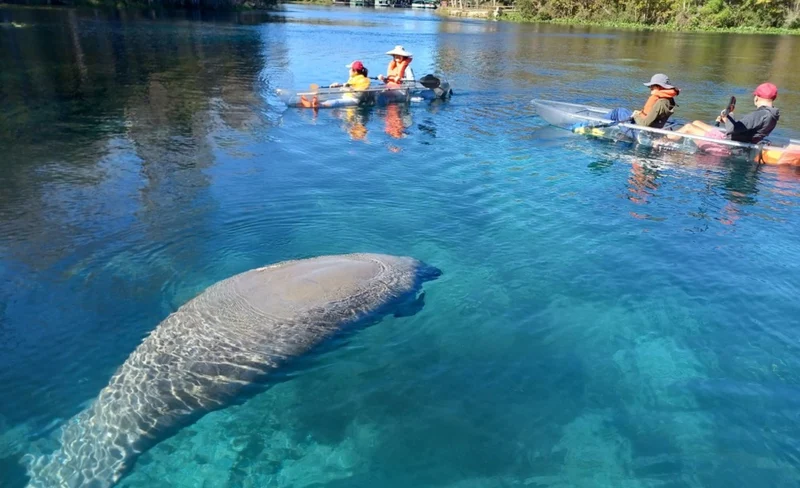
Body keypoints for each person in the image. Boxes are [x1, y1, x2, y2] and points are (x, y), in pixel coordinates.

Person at [667, 82, 780, 146]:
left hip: (727, 147)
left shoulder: (760, 115)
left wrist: (728, 116)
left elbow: (733, 130)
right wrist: (726, 120)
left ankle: (660, 141)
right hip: (733, 140)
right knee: (696, 122)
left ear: (757, 97)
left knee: (688, 127)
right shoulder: (772, 114)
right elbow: (740, 129)